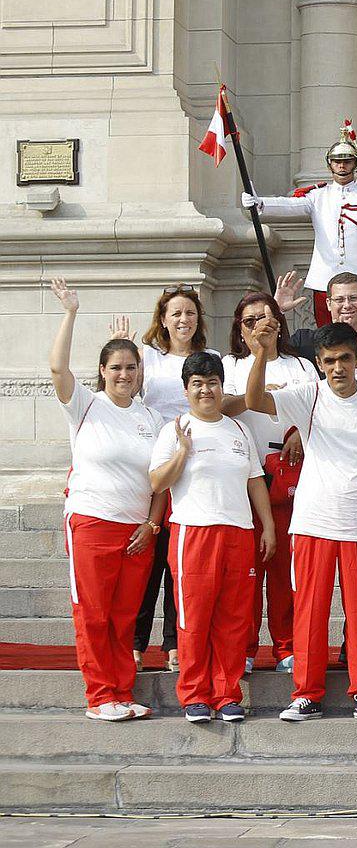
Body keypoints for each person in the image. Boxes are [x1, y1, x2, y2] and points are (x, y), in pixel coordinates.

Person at [241, 321, 357, 724]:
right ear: (320, 363)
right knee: (309, 610)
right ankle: (306, 693)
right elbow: (254, 400)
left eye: (345, 358)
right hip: (313, 521)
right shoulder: (310, 394)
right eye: (329, 361)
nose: (338, 368)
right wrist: (261, 352)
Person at [48, 279, 163, 721]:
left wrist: (151, 524)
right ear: (102, 371)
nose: (124, 375)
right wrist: (70, 313)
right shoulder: (85, 405)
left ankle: (122, 692)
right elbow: (58, 369)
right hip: (93, 522)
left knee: (123, 616)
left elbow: (160, 483)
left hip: (137, 531)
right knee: (93, 614)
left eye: (131, 367)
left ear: (140, 371)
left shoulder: (152, 418)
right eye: (115, 367)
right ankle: (100, 697)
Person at [148, 353, 275, 723]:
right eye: (197, 384)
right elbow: (157, 482)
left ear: (222, 387)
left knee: (234, 619)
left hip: (239, 531)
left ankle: (227, 694)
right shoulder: (175, 429)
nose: (206, 390)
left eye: (212, 383)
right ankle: (195, 695)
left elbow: (255, 480)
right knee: (195, 618)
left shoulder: (238, 430)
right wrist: (182, 453)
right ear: (186, 390)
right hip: (194, 532)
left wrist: (267, 525)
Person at [221, 293, 316, 674]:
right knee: (245, 574)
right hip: (243, 477)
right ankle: (243, 647)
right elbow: (221, 407)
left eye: (267, 318)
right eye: (250, 321)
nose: (260, 326)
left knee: (283, 572)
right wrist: (257, 393)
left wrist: (299, 431)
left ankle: (286, 646)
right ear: (239, 329)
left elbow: (318, 410)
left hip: (289, 475)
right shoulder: (230, 364)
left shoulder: (302, 366)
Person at [242, 120, 357, 326]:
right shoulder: (318, 196)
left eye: (347, 161)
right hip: (325, 282)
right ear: (329, 164)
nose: (342, 166)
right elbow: (291, 205)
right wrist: (259, 203)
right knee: (325, 334)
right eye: (337, 161)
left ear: (356, 163)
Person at [136, 284, 214, 673]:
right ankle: (136, 642)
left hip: (195, 469)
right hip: (157, 464)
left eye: (190, 313)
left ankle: (173, 644)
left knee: (177, 564)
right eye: (176, 314)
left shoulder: (211, 359)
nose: (184, 320)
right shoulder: (148, 357)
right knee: (149, 564)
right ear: (163, 321)